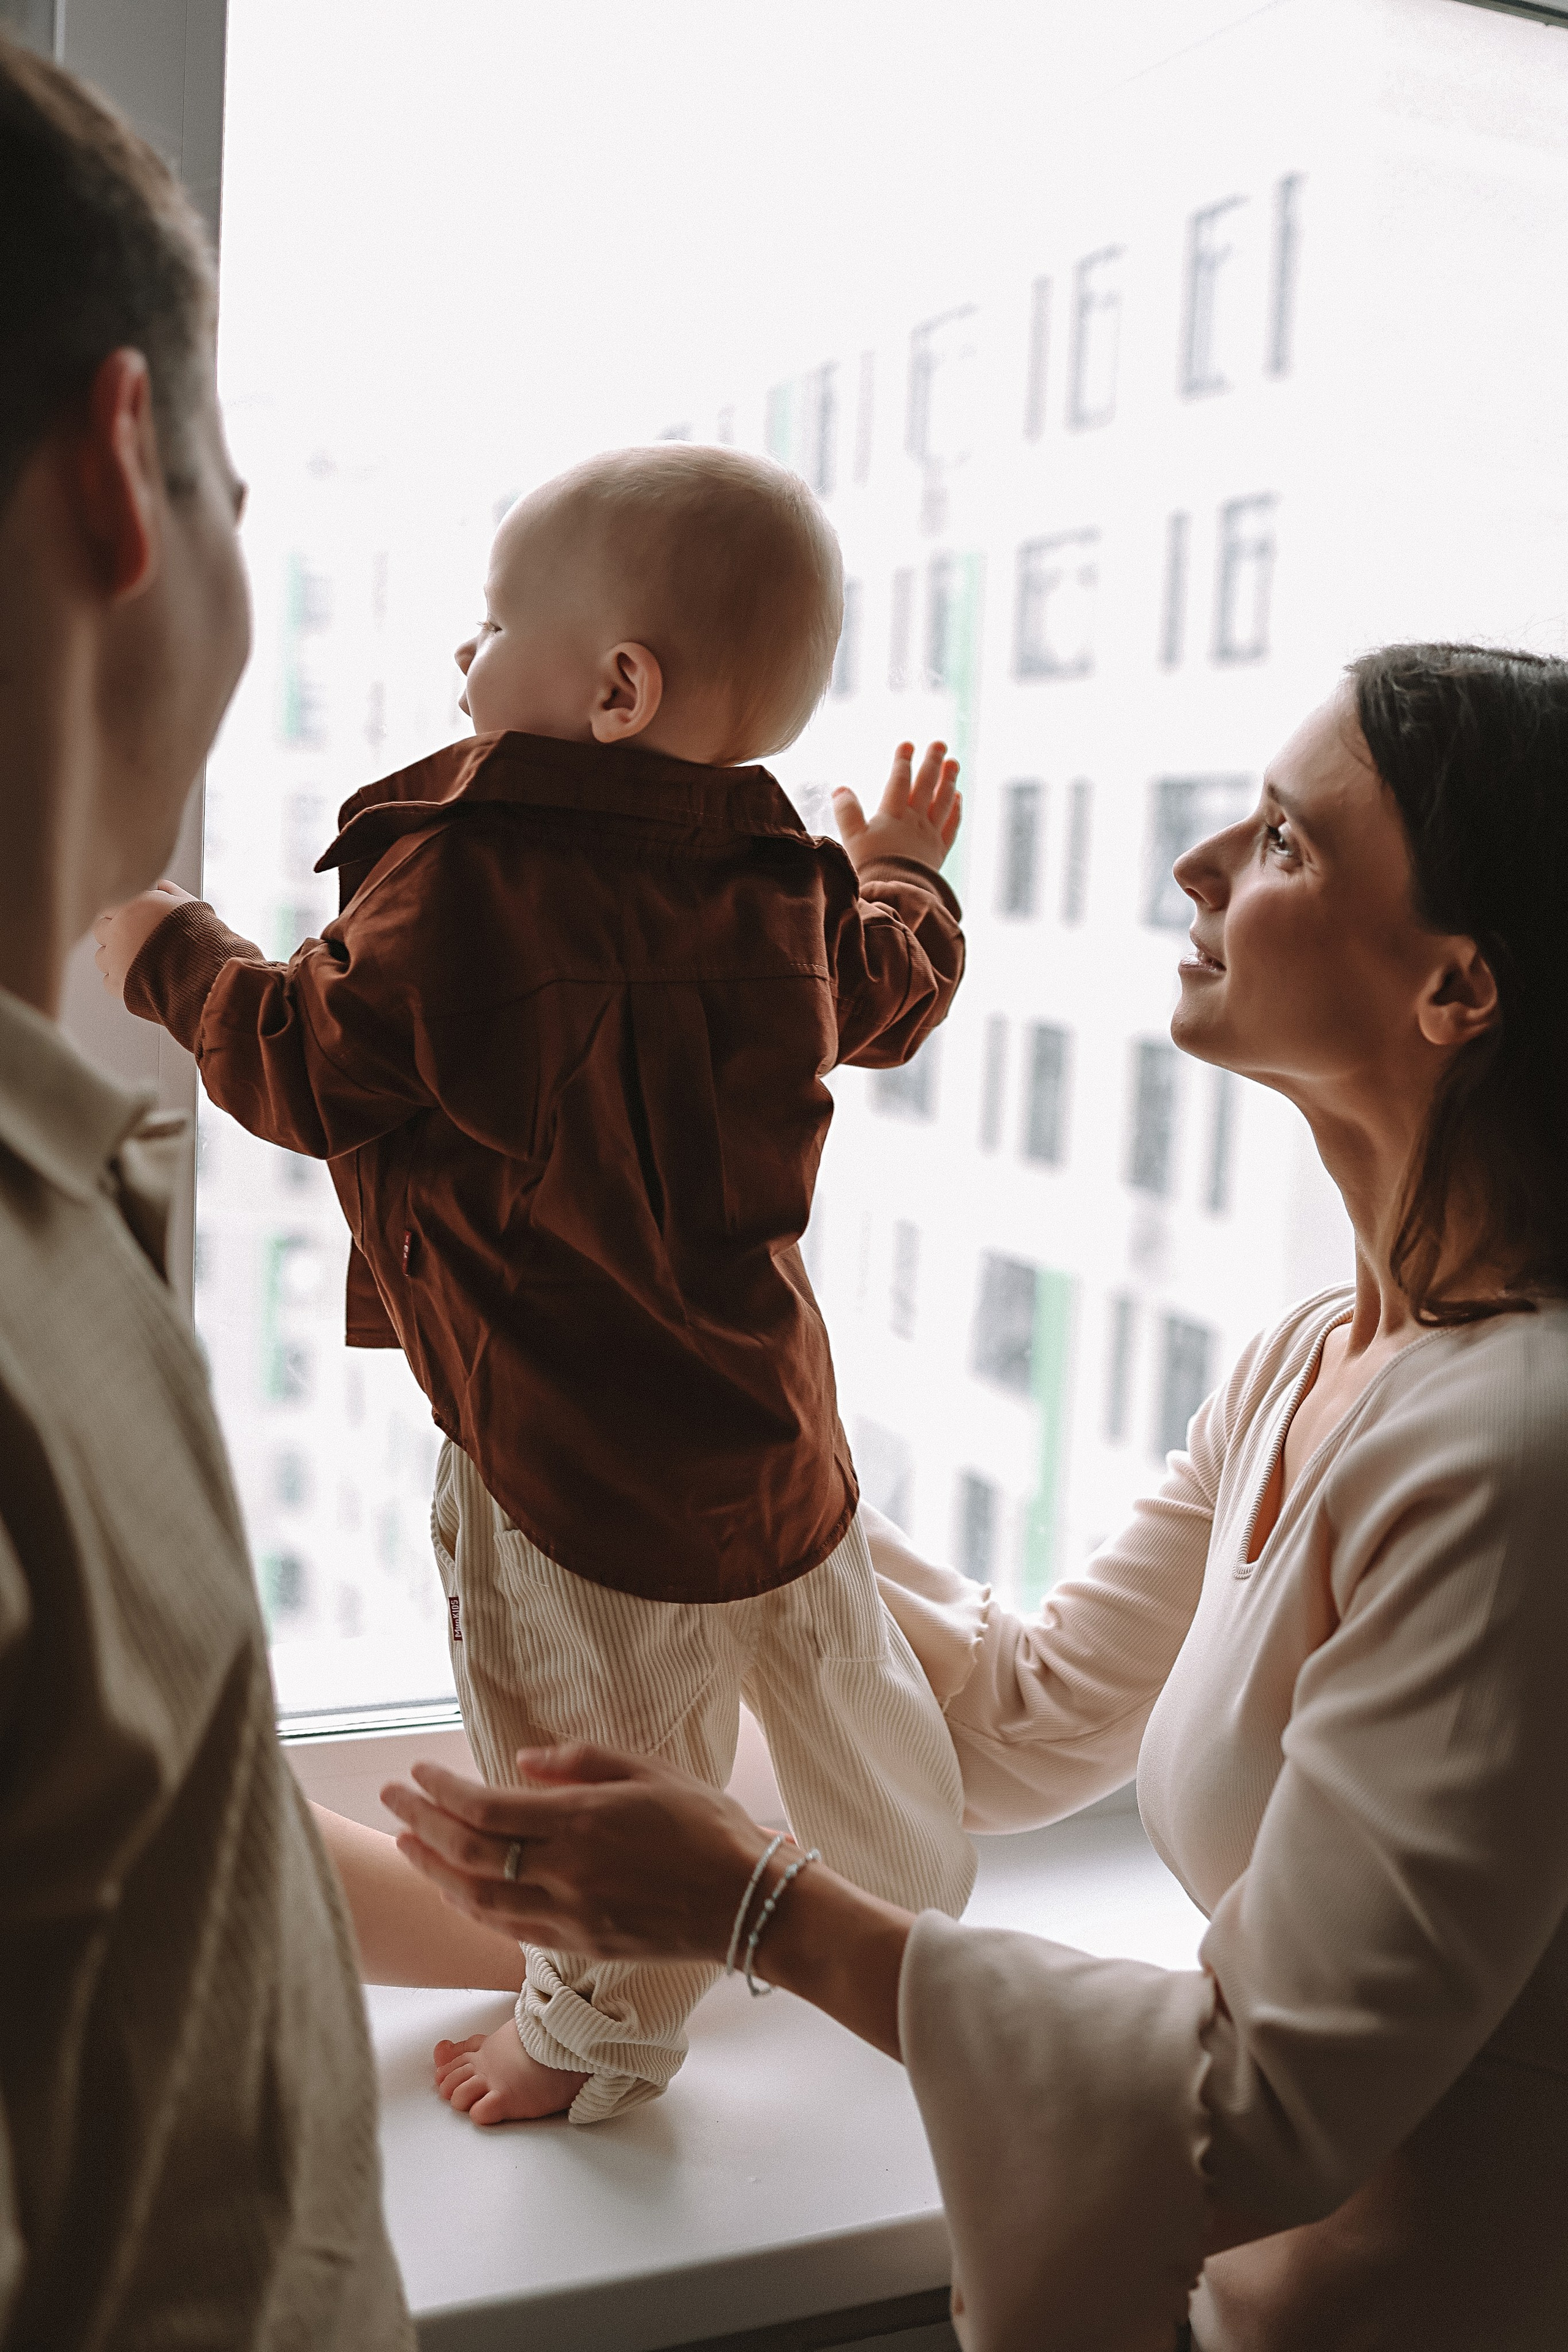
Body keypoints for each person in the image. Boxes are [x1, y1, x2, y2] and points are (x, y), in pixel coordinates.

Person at [377, 644, 1568, 2350]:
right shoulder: (1312, 1357)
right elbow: (1024, 1723)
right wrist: (692, 1443)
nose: (1198, 868)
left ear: (1458, 988)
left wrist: (750, 1907)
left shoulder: (1518, 1456)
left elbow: (1260, 2112)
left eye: (1288, 844)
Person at [93, 445, 978, 2127]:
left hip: (570, 1470)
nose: (464, 657)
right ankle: (927, 1943)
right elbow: (891, 987)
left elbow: (303, 1065)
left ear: (617, 687)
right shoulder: (787, 878)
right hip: (773, 1433)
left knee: (591, 1765)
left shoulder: (467, 875)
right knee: (844, 1703)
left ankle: (592, 2039)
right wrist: (909, 869)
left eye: (492, 625)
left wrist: (165, 944)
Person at [0, 36, 418, 2348]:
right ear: (122, 475)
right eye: (240, 484)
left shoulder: (60, 1201)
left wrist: (615, 1906)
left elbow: (132, 1851)